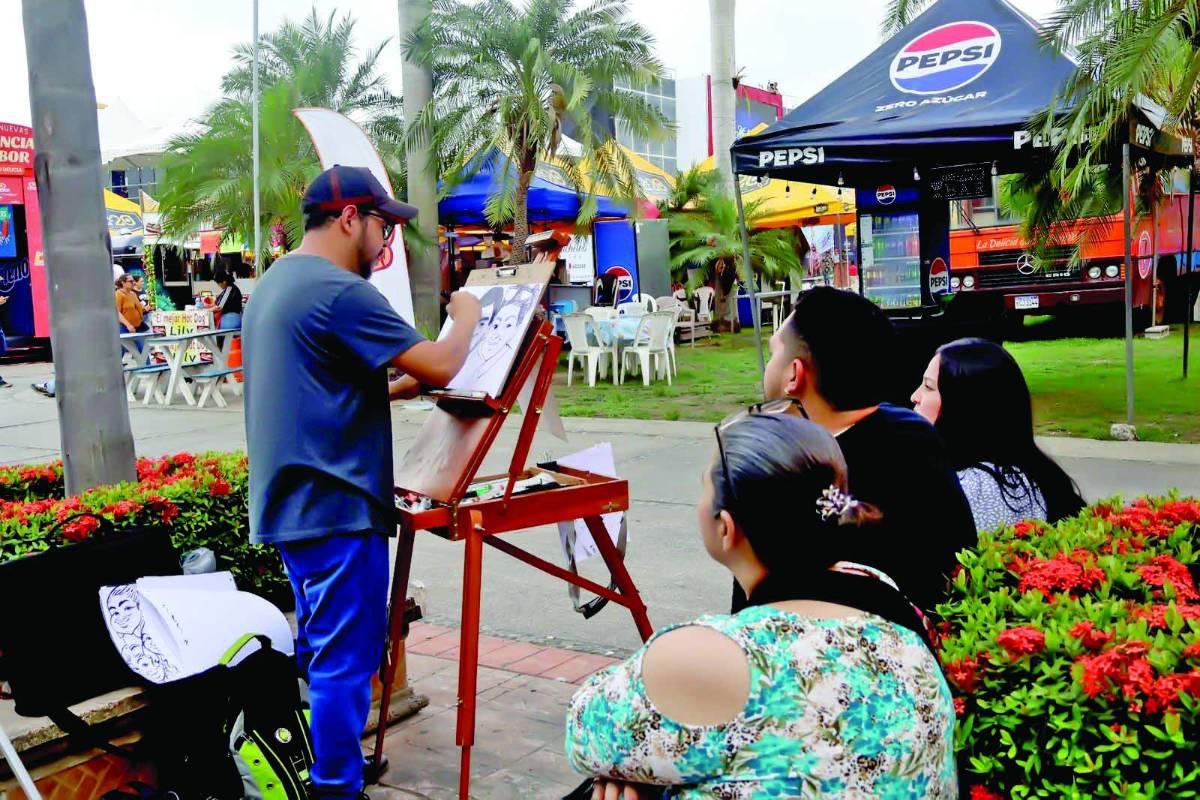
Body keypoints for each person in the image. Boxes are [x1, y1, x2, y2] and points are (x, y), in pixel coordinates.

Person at [242, 165, 481, 800]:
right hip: (337, 508)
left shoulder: (277, 283)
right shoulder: (339, 291)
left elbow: (327, 385)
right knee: (344, 664)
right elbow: (442, 359)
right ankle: (335, 788)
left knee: (324, 650)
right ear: (350, 218)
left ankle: (330, 767)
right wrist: (466, 312)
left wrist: (403, 383)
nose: (385, 243)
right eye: (382, 227)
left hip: (297, 505)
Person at [567, 412, 957, 799]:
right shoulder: (879, 590)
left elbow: (584, 732)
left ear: (725, 528)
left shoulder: (718, 654)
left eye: (704, 487)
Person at [753, 286, 977, 613]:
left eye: (774, 352)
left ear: (794, 374)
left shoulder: (787, 472)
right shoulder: (915, 435)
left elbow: (754, 616)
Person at [911, 337, 1086, 533]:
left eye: (929, 386)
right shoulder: (1031, 473)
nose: (915, 396)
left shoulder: (975, 489)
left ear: (964, 406)